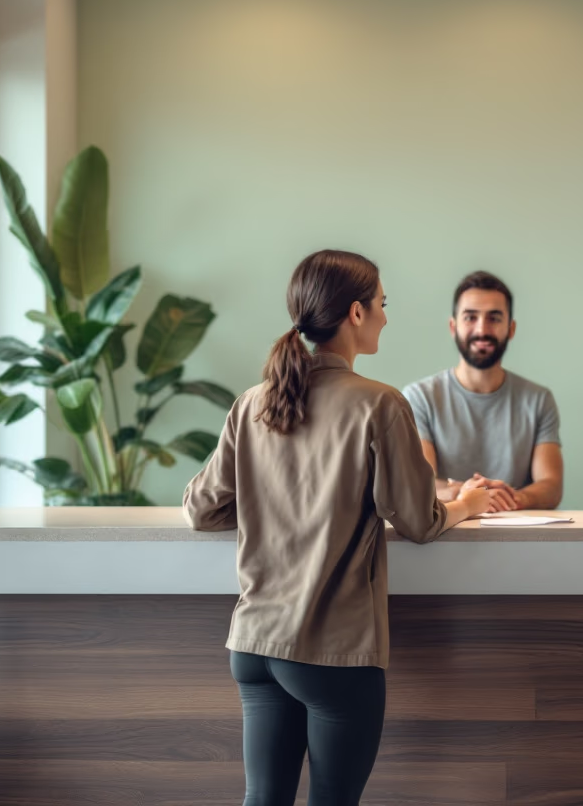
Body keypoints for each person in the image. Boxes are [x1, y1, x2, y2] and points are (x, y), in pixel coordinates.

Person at [183, 250, 492, 806]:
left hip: (254, 647)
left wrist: (270, 498)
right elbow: (418, 520)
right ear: (355, 312)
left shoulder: (253, 402)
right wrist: (468, 503)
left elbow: (199, 509)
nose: (385, 317)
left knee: (263, 799)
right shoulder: (380, 404)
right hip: (332, 654)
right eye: (382, 304)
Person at [402, 270, 563, 512]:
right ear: (453, 326)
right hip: (443, 539)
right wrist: (470, 494)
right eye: (470, 317)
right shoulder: (420, 398)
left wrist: (511, 499)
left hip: (520, 540)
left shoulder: (538, 400)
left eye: (494, 318)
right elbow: (419, 482)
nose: (482, 329)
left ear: (511, 328)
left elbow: (551, 486)